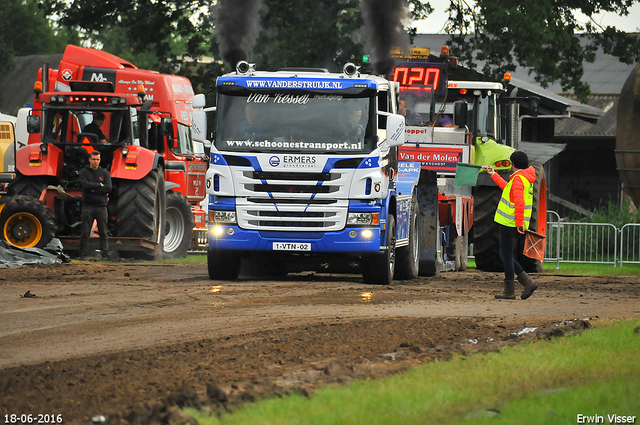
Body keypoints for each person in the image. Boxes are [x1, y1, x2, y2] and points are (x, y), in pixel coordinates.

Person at [483, 150, 538, 300]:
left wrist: (519, 223)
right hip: (514, 223)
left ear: (513, 165)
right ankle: (527, 282)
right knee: (505, 255)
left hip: (510, 223)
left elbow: (519, 202)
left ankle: (510, 291)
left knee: (506, 256)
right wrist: (493, 173)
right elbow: (508, 188)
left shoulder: (519, 179)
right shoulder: (524, 177)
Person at [78, 150, 112, 260]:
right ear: (89, 160)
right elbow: (85, 185)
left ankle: (105, 254)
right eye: (93, 159)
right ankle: (83, 254)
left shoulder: (105, 173)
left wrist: (93, 189)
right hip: (88, 206)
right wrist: (99, 186)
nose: (95, 162)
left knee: (103, 232)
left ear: (100, 160)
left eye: (97, 159)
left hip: (101, 207)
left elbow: (108, 188)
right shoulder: (84, 172)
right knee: (85, 232)